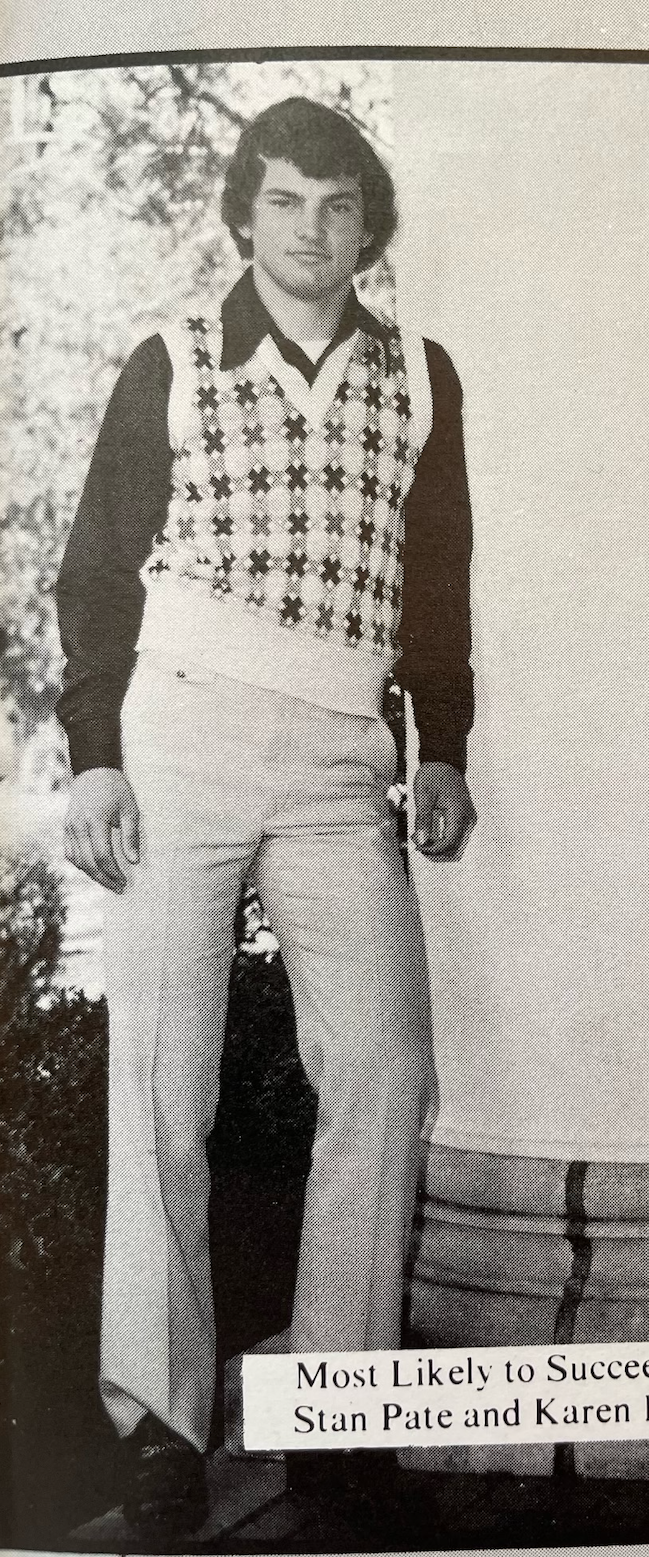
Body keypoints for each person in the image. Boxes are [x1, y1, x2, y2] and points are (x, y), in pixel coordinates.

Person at [55, 96, 476, 1536]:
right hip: (181, 728)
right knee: (161, 1082)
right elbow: (95, 575)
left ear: (368, 225)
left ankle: (339, 1410)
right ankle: (160, 1426)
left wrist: (440, 746)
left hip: (341, 752)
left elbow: (435, 584)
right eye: (286, 201)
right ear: (245, 215)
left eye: (338, 205)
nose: (311, 229)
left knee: (384, 1065)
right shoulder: (173, 359)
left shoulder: (419, 376)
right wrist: (95, 756)